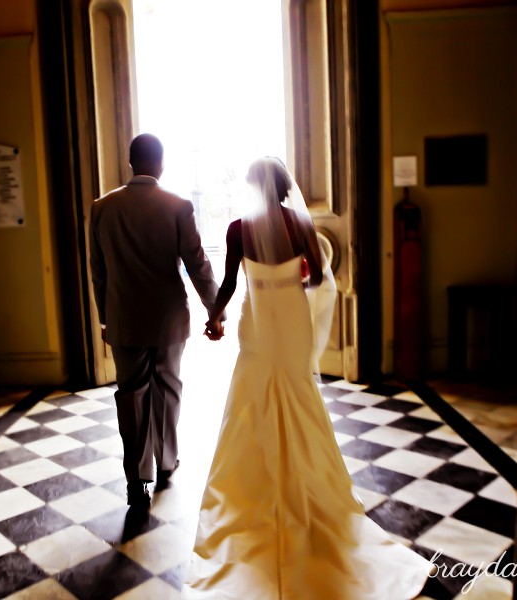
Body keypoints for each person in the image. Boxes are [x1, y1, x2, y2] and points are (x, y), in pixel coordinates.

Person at [184, 157, 435, 598]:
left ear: (251, 187)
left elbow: (227, 285)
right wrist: (292, 276)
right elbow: (319, 276)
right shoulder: (301, 225)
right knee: (299, 394)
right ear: (284, 187)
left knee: (250, 398)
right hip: (292, 319)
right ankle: (310, 482)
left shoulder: (238, 228)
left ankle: (252, 490)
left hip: (257, 323)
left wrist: (212, 317)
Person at [89, 133, 221, 508]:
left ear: (131, 162)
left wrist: (104, 316)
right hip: (167, 320)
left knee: (131, 396)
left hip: (124, 320)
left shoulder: (102, 208)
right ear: (160, 164)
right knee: (168, 389)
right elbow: (197, 263)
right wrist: (216, 309)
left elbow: (98, 271)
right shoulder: (177, 206)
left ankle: (137, 479)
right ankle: (164, 464)